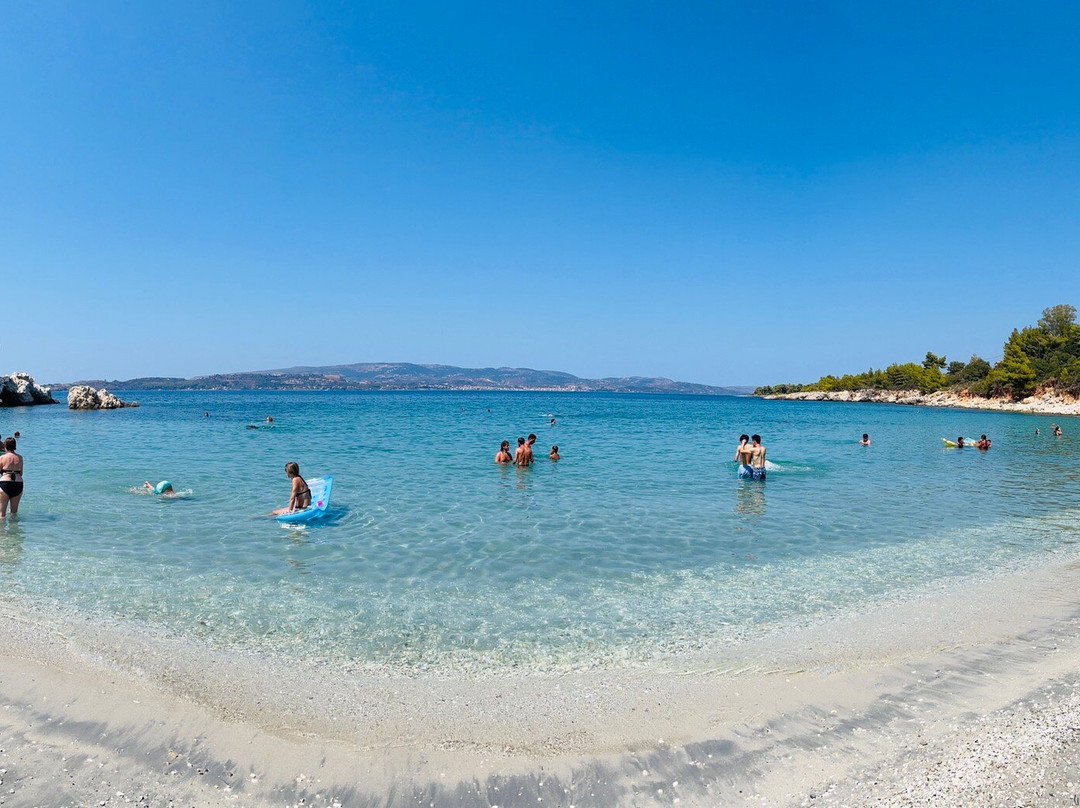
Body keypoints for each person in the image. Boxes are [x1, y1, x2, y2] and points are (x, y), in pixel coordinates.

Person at [0, 438, 24, 517]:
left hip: (5, 483)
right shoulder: (20, 457)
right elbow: (21, 473)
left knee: (2, 513)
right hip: (18, 483)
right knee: (14, 513)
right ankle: (14, 525)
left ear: (5, 446)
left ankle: (2, 526)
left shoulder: (2, 457)